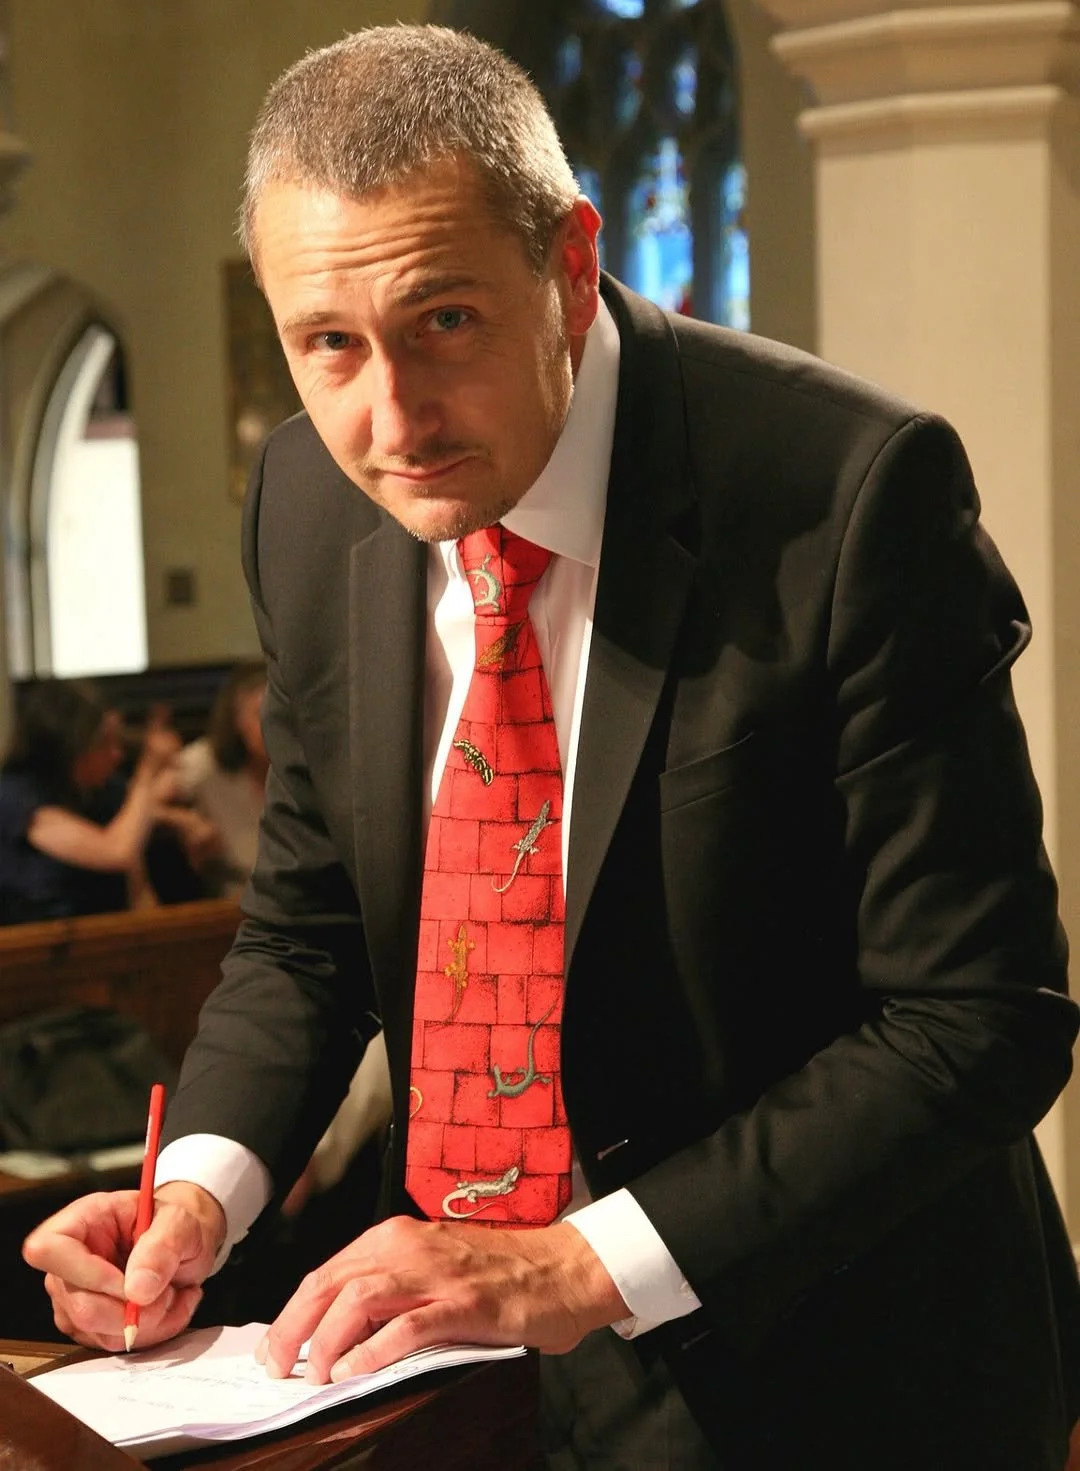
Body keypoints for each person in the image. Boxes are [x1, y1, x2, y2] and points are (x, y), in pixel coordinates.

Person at [22, 26, 1080, 1470]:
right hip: (470, 1371)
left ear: (574, 265)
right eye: (326, 343)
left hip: (840, 1355)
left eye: (443, 321)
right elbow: (308, 930)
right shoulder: (310, 503)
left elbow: (979, 1014)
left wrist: (579, 1263)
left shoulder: (846, 494)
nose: (388, 420)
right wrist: (198, 1189)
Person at [0, 678, 179, 924]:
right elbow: (116, 852)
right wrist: (147, 774)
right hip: (36, 949)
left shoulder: (106, 791)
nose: (116, 754)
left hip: (109, 943)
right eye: (103, 743)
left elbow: (138, 889)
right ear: (67, 746)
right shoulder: (15, 796)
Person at [170, 660, 269, 898]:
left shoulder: (301, 766)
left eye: (279, 716)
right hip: (233, 907)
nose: (270, 727)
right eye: (259, 715)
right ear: (237, 721)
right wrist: (184, 820)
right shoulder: (205, 763)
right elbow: (142, 802)